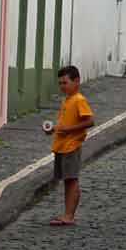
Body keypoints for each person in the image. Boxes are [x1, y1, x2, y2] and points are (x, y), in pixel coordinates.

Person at [43, 64, 94, 227]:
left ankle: (69, 216)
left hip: (72, 145)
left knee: (71, 180)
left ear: (77, 81)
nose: (62, 87)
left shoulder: (79, 100)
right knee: (67, 180)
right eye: (60, 83)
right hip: (62, 145)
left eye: (65, 83)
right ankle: (67, 213)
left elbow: (90, 121)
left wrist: (68, 130)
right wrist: (54, 129)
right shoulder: (67, 100)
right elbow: (65, 123)